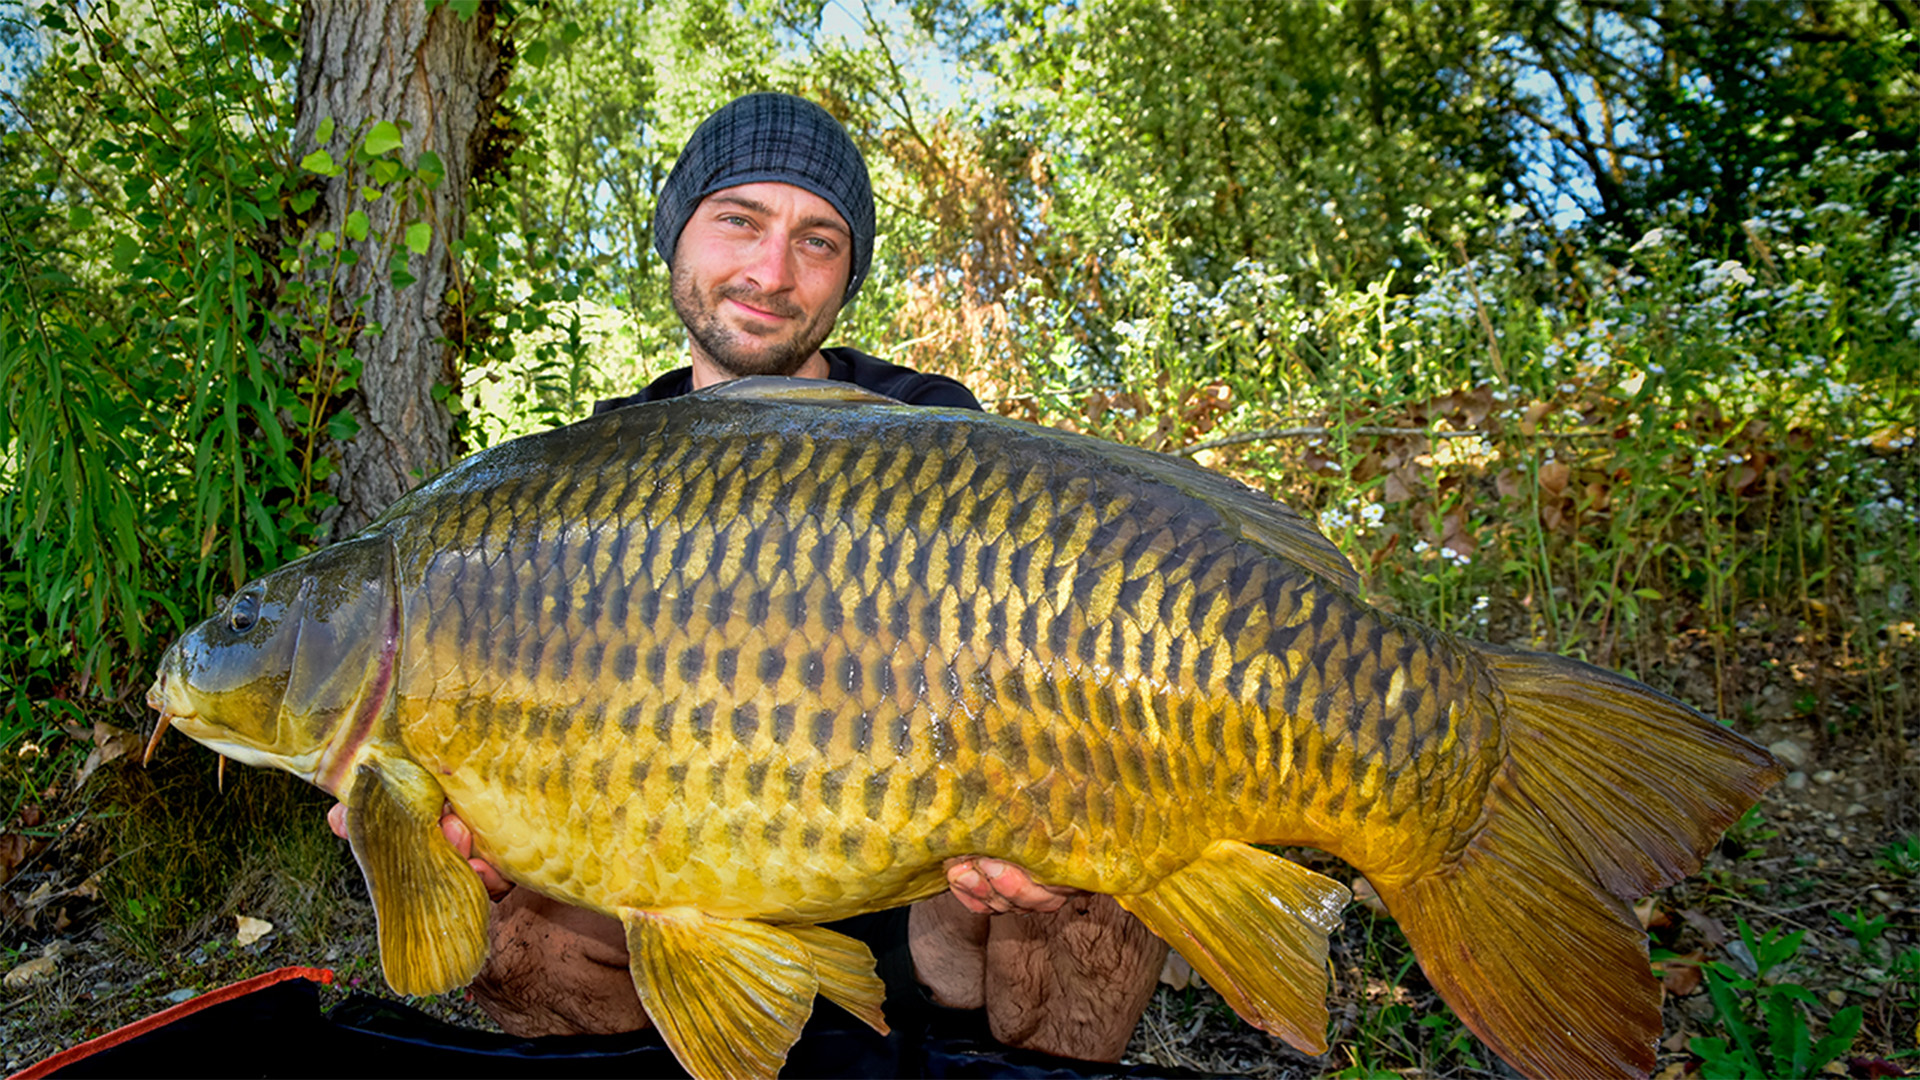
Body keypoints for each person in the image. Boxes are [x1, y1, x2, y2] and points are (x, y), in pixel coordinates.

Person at [329, 91, 1166, 1065]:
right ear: (675, 236)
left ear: (849, 276)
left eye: (818, 240)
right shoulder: (581, 478)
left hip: (919, 895)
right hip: (679, 880)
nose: (772, 272)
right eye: (739, 221)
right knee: (503, 922)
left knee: (1121, 872)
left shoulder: (933, 432)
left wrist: (1053, 822)